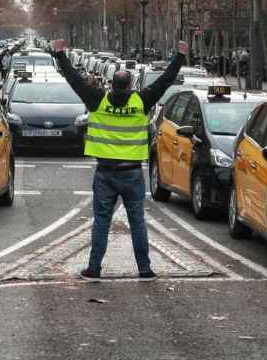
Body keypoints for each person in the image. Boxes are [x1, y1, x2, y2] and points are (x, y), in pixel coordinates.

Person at [54, 37, 187, 281]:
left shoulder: (98, 100)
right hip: (132, 173)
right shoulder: (141, 101)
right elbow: (165, 81)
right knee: (137, 221)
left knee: (101, 222)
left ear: (112, 86)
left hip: (105, 173)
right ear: (130, 87)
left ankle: (94, 269)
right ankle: (145, 270)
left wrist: (61, 54)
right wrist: (179, 56)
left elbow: (74, 80)